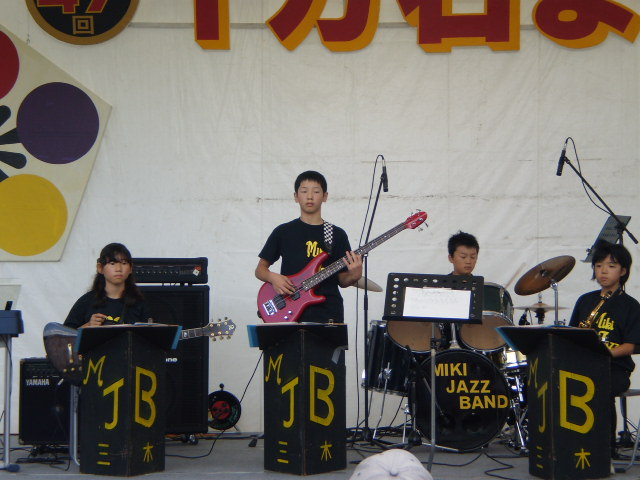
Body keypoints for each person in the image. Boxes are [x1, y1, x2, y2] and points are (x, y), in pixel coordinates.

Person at [255, 170, 362, 323]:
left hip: (328, 313)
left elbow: (342, 280)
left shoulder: (337, 234)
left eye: (316, 191)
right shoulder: (283, 232)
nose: (310, 196)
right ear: (296, 196)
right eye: (304, 191)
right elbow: (260, 270)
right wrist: (273, 278)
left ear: (325, 196)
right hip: (290, 310)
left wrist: (354, 275)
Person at [568, 241, 640, 457]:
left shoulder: (631, 306)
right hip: (585, 366)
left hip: (615, 368)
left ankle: (605, 450)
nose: (603, 271)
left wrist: (605, 354)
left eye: (611, 266)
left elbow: (631, 346)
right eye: (598, 266)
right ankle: (572, 445)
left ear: (623, 271)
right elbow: (573, 335)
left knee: (599, 386)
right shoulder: (585, 301)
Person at [64, 243, 152, 329]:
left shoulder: (140, 302)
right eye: (112, 263)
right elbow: (65, 334)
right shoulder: (87, 301)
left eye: (124, 263)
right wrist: (88, 326)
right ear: (100, 268)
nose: (118, 269)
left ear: (130, 268)